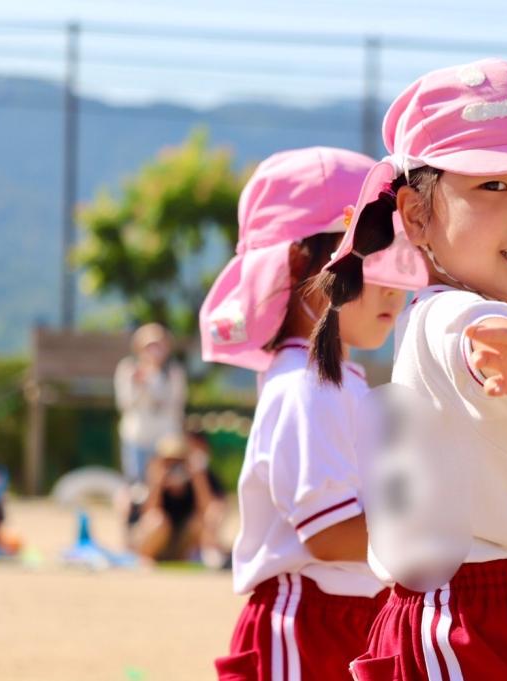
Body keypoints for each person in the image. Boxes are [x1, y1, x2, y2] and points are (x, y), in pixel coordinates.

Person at [311, 59, 507, 680]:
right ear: (416, 215)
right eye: (493, 187)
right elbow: (477, 335)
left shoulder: (499, 321)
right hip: (468, 616)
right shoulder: (449, 314)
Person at [202, 148, 414, 680]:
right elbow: (329, 535)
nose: (394, 284)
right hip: (308, 623)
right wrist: (439, 529)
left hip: (348, 615)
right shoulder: (304, 387)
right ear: (301, 265)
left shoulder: (335, 382)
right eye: (372, 258)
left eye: (400, 258)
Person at [126, 432, 228, 566]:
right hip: (155, 542)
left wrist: (198, 479)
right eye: (168, 462)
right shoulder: (151, 481)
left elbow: (207, 511)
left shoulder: (196, 481)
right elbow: (148, 515)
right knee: (157, 521)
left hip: (181, 546)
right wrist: (157, 484)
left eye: (179, 461)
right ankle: (144, 560)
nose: (174, 467)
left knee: (204, 518)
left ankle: (206, 556)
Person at [114, 323, 187, 483]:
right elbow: (124, 403)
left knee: (165, 482)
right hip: (136, 436)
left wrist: (152, 379)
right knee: (137, 483)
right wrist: (138, 384)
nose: (154, 351)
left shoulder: (174, 372)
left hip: (166, 439)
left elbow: (173, 404)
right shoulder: (127, 369)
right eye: (149, 345)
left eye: (158, 345)